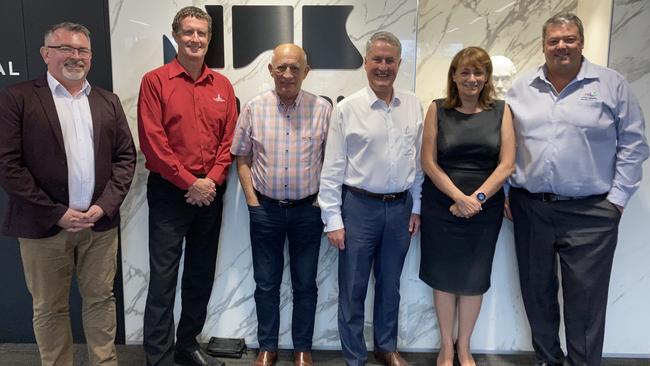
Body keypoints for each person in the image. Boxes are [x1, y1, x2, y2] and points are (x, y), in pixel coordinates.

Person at [506, 12, 649, 366]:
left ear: (581, 42)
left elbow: (634, 143)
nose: (561, 46)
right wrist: (509, 190)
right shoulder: (521, 89)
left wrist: (616, 201)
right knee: (536, 294)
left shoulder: (611, 84)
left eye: (569, 39)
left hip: (591, 212)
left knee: (585, 300)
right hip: (531, 207)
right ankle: (547, 360)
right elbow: (507, 144)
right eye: (554, 40)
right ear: (543, 45)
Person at [0, 22, 136, 366]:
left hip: (98, 228)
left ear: (90, 57)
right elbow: (7, 164)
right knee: (49, 307)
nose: (75, 56)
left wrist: (103, 207)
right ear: (46, 54)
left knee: (101, 301)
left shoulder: (108, 100)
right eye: (65, 49)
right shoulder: (18, 98)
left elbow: (125, 158)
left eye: (82, 50)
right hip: (44, 226)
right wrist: (55, 212)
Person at [137, 6, 238, 366]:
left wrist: (209, 181)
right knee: (163, 279)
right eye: (188, 32)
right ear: (176, 35)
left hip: (210, 193)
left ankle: (187, 345)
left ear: (209, 40)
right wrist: (189, 182)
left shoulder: (223, 86)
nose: (195, 39)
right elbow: (152, 141)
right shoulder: (155, 81)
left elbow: (230, 141)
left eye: (202, 33)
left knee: (200, 274)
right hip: (169, 192)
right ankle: (159, 357)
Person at [318, 31, 423, 366]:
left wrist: (417, 207)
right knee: (353, 288)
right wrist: (332, 219)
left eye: (390, 60)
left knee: (390, 286)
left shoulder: (413, 105)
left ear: (399, 64)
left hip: (400, 207)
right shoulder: (347, 109)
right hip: (358, 208)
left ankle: (386, 347)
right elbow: (332, 168)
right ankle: (354, 357)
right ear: (365, 63)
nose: (383, 66)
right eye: (376, 59)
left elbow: (418, 163)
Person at [231, 43, 331, 366]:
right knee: (266, 283)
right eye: (281, 67)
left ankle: (303, 347)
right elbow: (241, 155)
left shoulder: (322, 109)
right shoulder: (254, 108)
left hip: (307, 212)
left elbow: (332, 160)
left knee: (305, 284)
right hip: (266, 210)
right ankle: (268, 346)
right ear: (270, 70)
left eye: (294, 68)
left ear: (306, 71)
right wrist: (251, 201)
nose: (287, 74)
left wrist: (320, 202)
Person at [419, 47, 515, 366]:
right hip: (441, 205)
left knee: (474, 278)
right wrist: (459, 197)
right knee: (443, 276)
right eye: (465, 72)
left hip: (484, 210)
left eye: (478, 72)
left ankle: (465, 347)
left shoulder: (502, 111)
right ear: (454, 76)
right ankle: (447, 346)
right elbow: (429, 162)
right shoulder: (437, 109)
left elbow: (507, 165)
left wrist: (477, 199)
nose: (471, 79)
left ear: (486, 77)